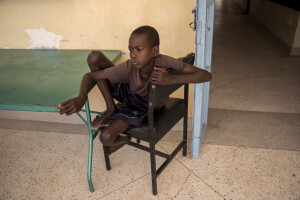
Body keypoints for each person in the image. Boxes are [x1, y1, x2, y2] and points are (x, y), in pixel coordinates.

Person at [58, 25, 212, 153]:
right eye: (131, 50)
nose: (133, 55)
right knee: (94, 57)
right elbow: (90, 76)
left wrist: (171, 79)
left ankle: (126, 139)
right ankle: (111, 108)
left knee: (105, 138)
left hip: (143, 106)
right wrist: (81, 96)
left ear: (154, 50)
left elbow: (206, 75)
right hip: (129, 94)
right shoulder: (130, 66)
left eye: (139, 49)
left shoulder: (164, 61)